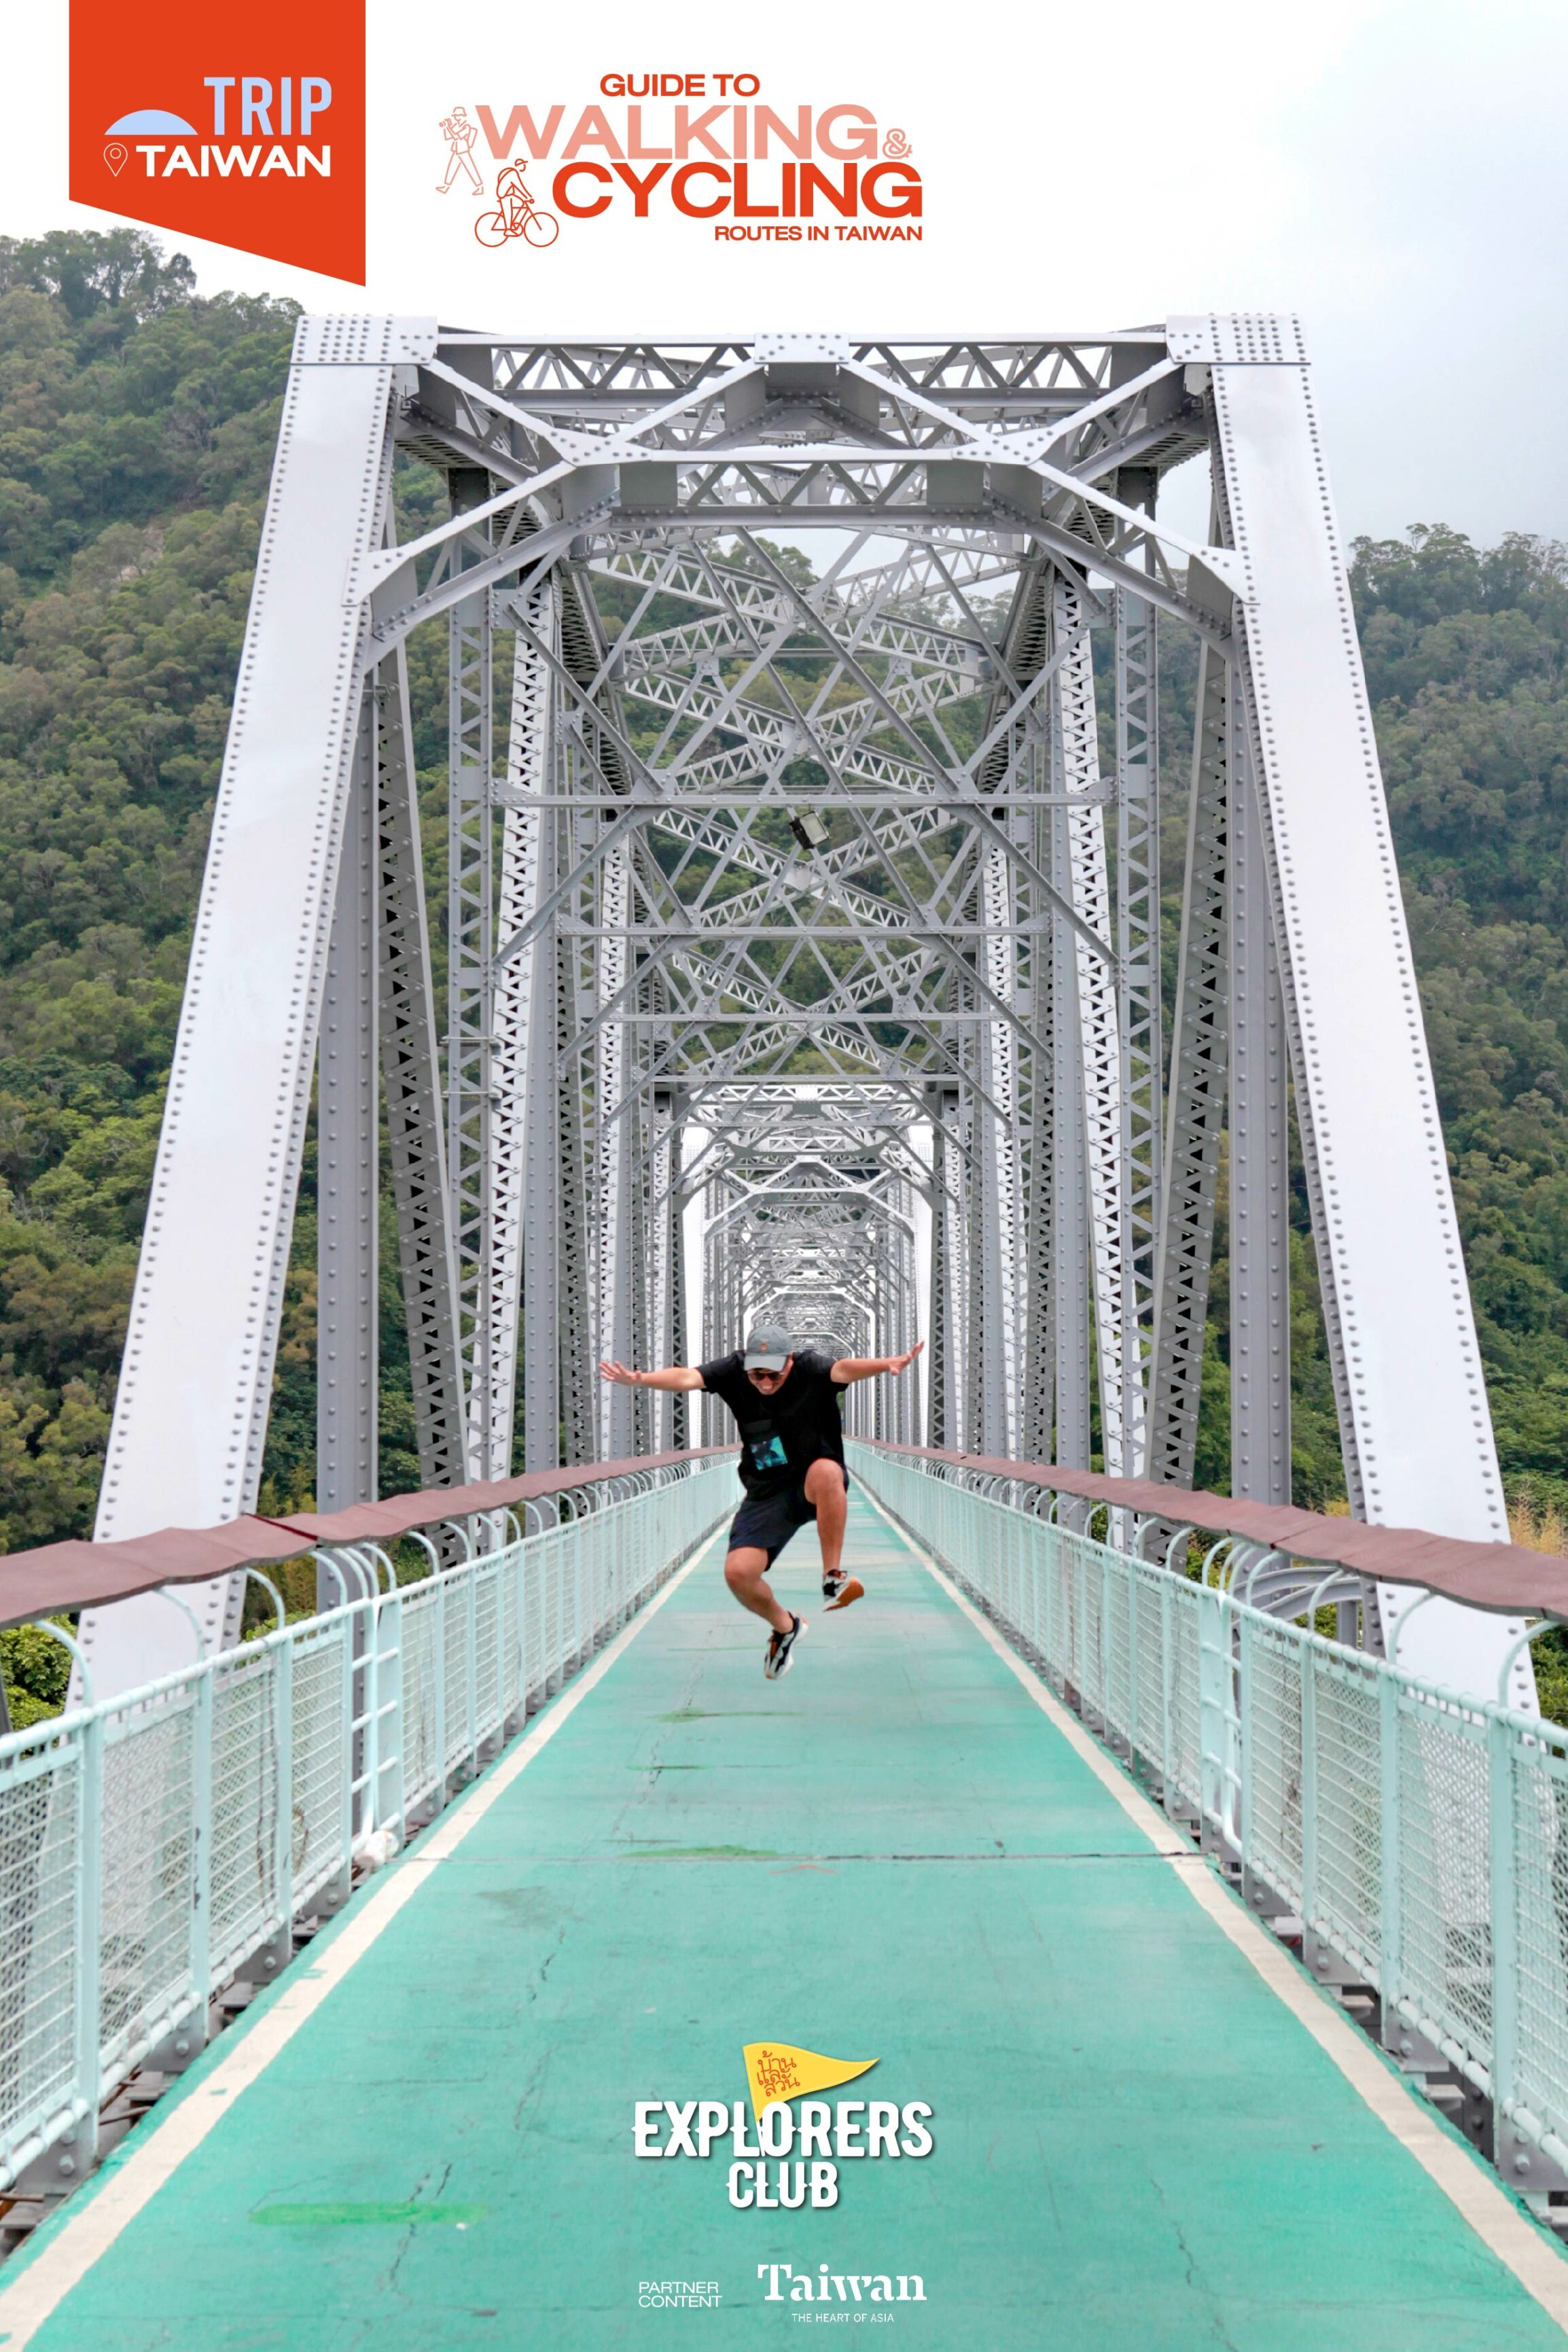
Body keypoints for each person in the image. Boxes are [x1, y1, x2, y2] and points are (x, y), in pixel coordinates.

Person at [599, 1325, 924, 1679]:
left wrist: (884, 1365)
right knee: (738, 1574)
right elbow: (687, 1377)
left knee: (828, 1474)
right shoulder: (732, 1370)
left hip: (810, 1481)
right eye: (757, 1374)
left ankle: (832, 1577)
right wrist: (641, 1379)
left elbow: (843, 1369)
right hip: (766, 1490)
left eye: (774, 1374)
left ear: (789, 1361)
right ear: (748, 1367)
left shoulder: (810, 1367)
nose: (765, 1382)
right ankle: (786, 1627)